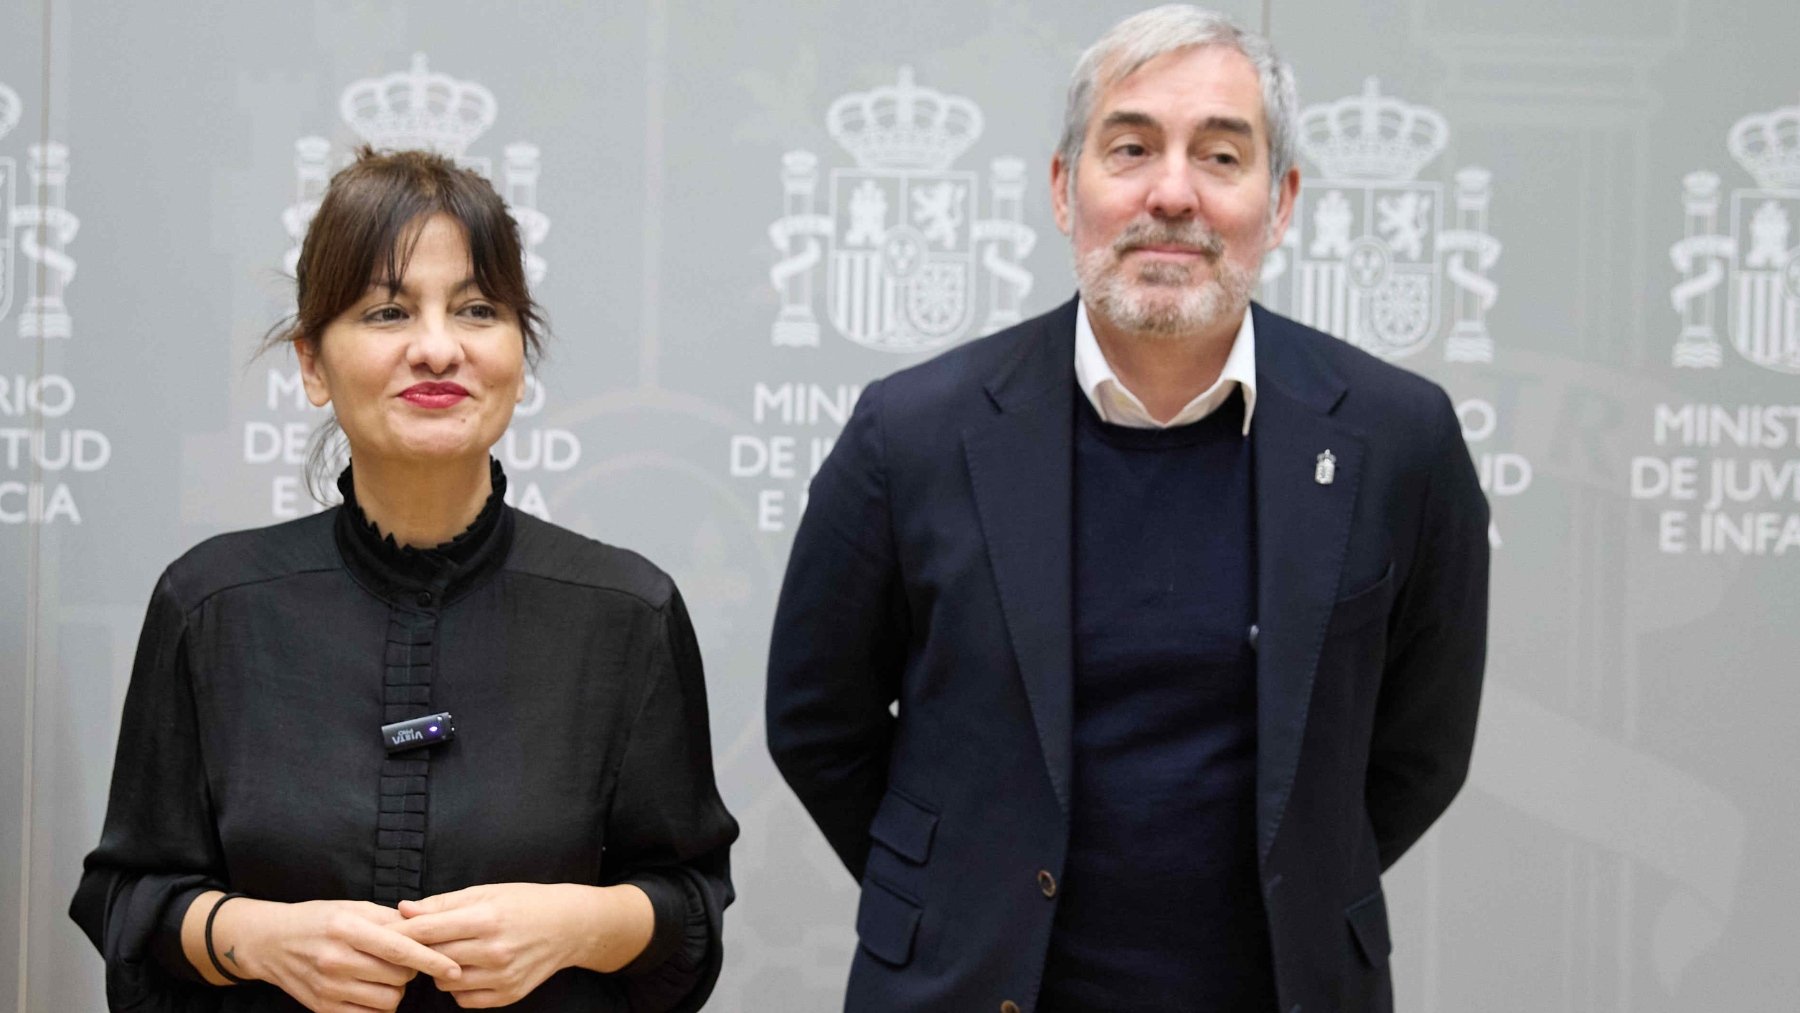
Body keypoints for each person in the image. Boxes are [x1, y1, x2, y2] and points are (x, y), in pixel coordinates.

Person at [765, 6, 1488, 1012]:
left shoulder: (1397, 439)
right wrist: (960, 891)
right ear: (1066, 189)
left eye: (1221, 155)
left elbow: (1420, 748)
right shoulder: (913, 432)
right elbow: (816, 721)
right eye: (1132, 147)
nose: (1173, 193)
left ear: (1280, 202)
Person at [71, 148, 737, 1013]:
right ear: (313, 363)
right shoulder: (212, 605)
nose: (436, 348)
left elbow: (691, 905)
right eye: (388, 310)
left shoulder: (626, 611)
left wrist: (577, 923)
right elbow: (126, 899)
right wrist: (255, 940)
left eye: (477, 310)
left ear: (518, 352)